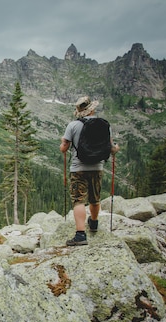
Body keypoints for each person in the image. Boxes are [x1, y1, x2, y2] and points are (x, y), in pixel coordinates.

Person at [60, 96, 119, 246]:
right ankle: (93, 223)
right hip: (97, 167)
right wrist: (116, 149)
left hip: (78, 168)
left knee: (78, 200)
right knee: (95, 197)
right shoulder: (104, 125)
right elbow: (111, 148)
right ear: (92, 109)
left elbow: (64, 149)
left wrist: (63, 141)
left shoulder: (73, 125)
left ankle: (80, 235)